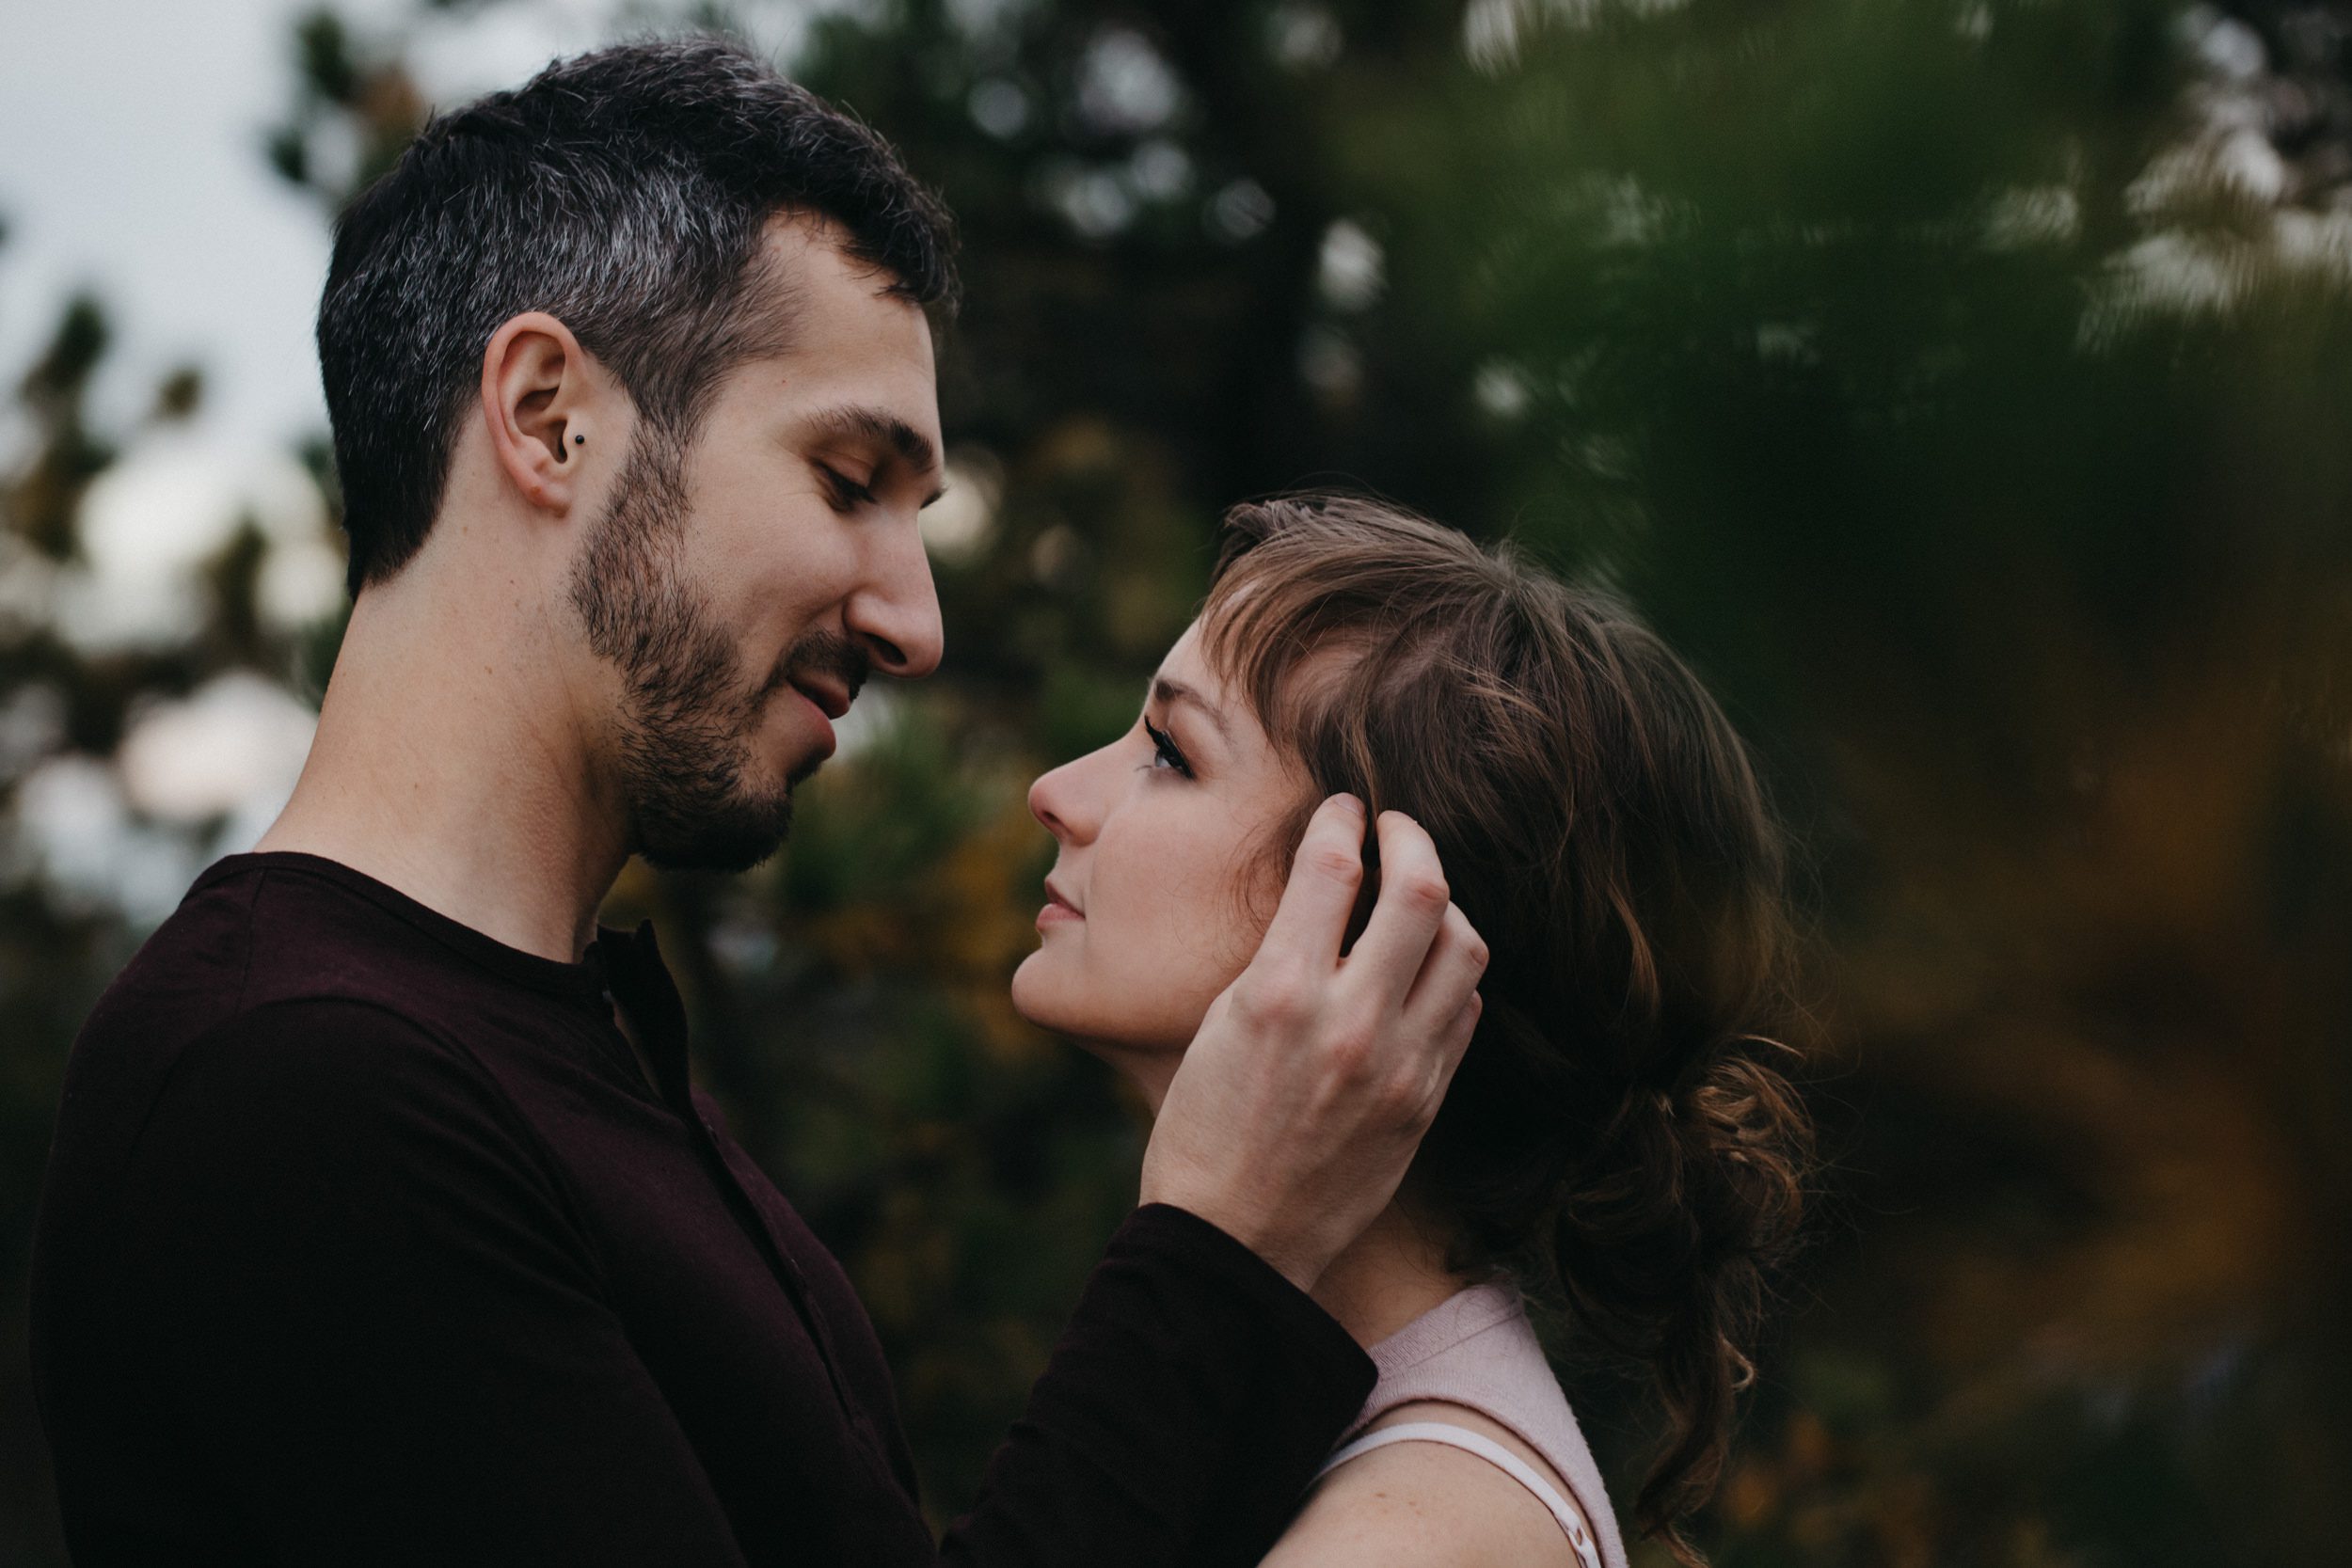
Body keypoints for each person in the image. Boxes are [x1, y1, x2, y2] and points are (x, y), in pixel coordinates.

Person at [26, 39, 1492, 1568]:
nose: (915, 621)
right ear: (546, 417)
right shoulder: (305, 1092)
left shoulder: (556, 1045)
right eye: (851, 478)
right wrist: (1219, 1250)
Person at [1016, 496, 1815, 1568]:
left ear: (1388, 923)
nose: (1054, 791)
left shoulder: (1417, 1535)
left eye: (1169, 751)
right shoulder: (1328, 1420)